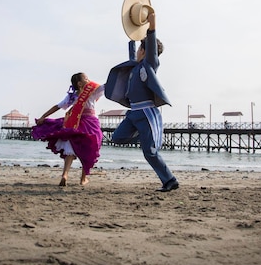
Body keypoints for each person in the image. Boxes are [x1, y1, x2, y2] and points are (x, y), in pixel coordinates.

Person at [105, 11, 179, 192]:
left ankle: (170, 180)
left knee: (150, 153)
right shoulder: (134, 66)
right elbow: (132, 52)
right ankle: (147, 137)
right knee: (117, 137)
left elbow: (151, 48)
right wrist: (131, 36)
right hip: (133, 114)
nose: (137, 50)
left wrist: (152, 26)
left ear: (144, 52)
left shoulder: (149, 65)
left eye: (140, 48)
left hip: (146, 113)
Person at [32, 72, 105, 186]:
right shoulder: (92, 92)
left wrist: (43, 117)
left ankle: (65, 175)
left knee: (70, 149)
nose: (89, 80)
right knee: (89, 149)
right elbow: (107, 86)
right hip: (90, 123)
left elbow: (57, 106)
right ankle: (83, 179)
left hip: (74, 123)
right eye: (86, 79)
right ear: (80, 83)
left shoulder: (71, 96)